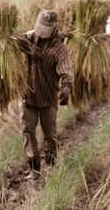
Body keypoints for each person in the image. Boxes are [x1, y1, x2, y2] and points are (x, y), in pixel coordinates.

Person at [16, 10, 74, 179]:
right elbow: (10, 43)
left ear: (54, 29)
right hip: (28, 96)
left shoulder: (60, 49)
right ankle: (34, 169)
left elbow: (66, 70)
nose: (41, 33)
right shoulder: (27, 39)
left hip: (48, 97)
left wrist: (65, 89)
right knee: (27, 131)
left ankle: (52, 164)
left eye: (46, 29)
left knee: (50, 135)